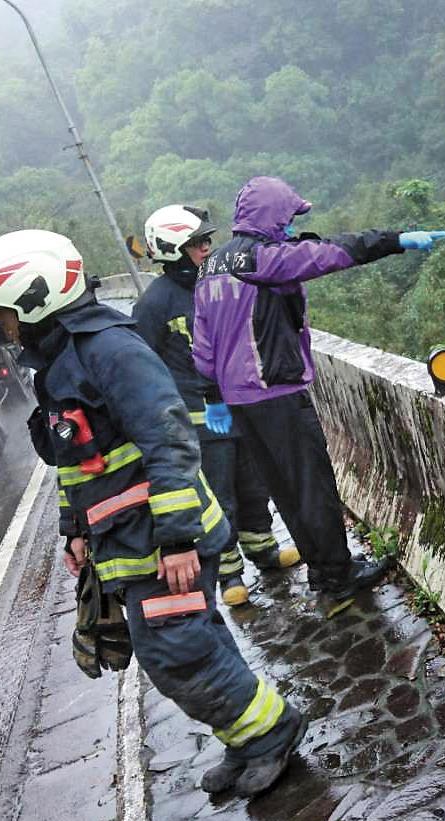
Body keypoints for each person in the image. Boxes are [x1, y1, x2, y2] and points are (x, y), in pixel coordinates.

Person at [0, 229, 305, 798]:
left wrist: (177, 538)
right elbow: (77, 462)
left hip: (163, 538)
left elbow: (169, 440)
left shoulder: (109, 350)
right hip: (129, 540)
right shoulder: (60, 364)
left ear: (32, 298)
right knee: (194, 639)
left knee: (174, 651)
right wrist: (75, 530)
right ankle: (247, 738)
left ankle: (270, 733)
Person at [192, 175, 445, 616]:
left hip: (241, 402)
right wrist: (396, 241)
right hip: (276, 392)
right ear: (273, 217)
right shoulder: (265, 259)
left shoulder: (210, 266)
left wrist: (213, 392)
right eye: (288, 218)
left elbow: (202, 344)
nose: (292, 227)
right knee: (313, 487)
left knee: (285, 490)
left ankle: (323, 570)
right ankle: (338, 578)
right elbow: (332, 252)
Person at [132, 204, 300, 607]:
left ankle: (264, 549)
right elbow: (144, 367)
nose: (207, 248)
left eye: (207, 241)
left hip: (241, 407)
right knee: (219, 497)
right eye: (197, 244)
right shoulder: (154, 305)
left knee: (254, 485)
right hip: (200, 423)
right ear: (173, 251)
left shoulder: (219, 282)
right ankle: (230, 574)